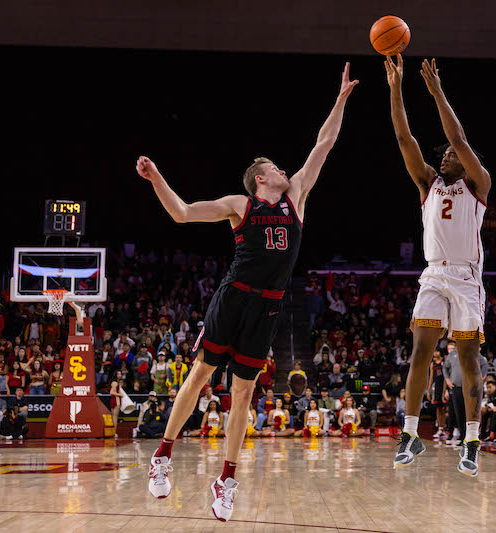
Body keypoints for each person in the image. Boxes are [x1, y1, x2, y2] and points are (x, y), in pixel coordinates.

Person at [143, 63, 358, 521]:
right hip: (233, 296)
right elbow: (181, 213)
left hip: (269, 307)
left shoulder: (297, 195)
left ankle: (227, 480)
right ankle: (162, 455)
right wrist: (157, 177)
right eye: (273, 167)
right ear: (260, 178)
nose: (283, 168)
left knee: (243, 395)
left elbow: (324, 145)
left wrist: (339, 100)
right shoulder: (239, 205)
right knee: (200, 375)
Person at [385, 54, 491, 477]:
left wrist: (436, 92)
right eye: (444, 153)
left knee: (468, 359)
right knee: (419, 354)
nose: (446, 155)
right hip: (433, 274)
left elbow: (461, 138)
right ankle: (411, 434)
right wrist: (395, 89)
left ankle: (471, 440)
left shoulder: (478, 185)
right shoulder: (428, 184)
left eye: (452, 154)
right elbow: (403, 136)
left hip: (466, 277)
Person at [427, 351, 447, 439]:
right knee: (439, 409)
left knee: (445, 409)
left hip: (445, 385)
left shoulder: (445, 361)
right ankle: (440, 428)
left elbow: (447, 376)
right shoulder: (432, 364)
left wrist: (445, 391)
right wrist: (428, 391)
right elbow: (431, 378)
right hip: (437, 386)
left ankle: (447, 428)